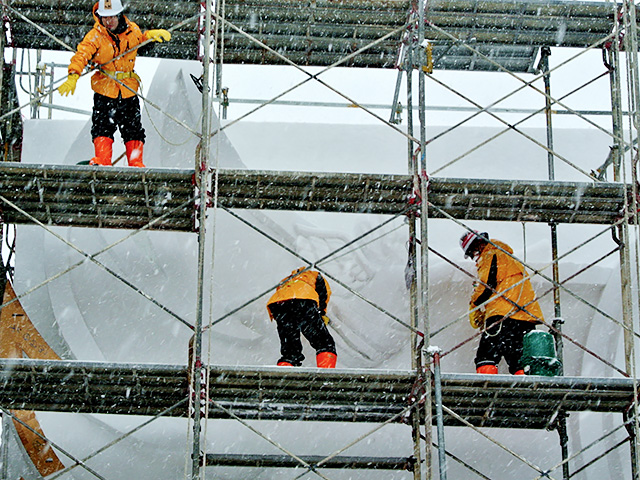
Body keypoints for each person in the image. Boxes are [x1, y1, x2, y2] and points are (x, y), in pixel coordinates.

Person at [57, 0, 171, 167]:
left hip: (128, 90)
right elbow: (82, 54)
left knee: (133, 129)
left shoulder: (132, 30)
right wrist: (73, 74)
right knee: (102, 127)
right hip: (105, 90)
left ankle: (136, 163)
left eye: (111, 17)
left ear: (119, 15)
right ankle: (103, 161)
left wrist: (150, 36)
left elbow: (140, 41)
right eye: (104, 18)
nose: (108, 21)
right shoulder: (95, 36)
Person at [460, 230, 544, 375]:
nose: (475, 257)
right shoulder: (509, 258)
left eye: (473, 253)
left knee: (486, 357)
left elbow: (487, 287)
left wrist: (474, 304)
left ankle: (486, 390)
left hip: (502, 315)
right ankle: (524, 392)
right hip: (525, 317)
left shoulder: (490, 253)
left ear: (479, 245)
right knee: (519, 361)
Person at [267, 267, 337, 368]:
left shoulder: (286, 280)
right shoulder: (314, 275)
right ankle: (326, 373)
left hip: (278, 304)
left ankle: (285, 370)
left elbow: (283, 295)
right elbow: (323, 293)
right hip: (303, 299)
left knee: (290, 349)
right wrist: (321, 313)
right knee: (324, 343)